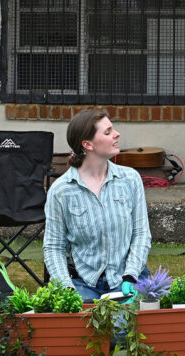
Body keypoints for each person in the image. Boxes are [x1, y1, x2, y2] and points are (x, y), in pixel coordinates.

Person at [43, 109, 151, 301]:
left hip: (126, 277)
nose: (117, 134)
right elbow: (53, 247)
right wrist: (66, 288)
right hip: (83, 282)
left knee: (124, 326)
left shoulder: (130, 179)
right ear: (87, 144)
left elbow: (141, 234)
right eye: (108, 132)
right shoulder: (61, 190)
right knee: (85, 327)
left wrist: (131, 275)